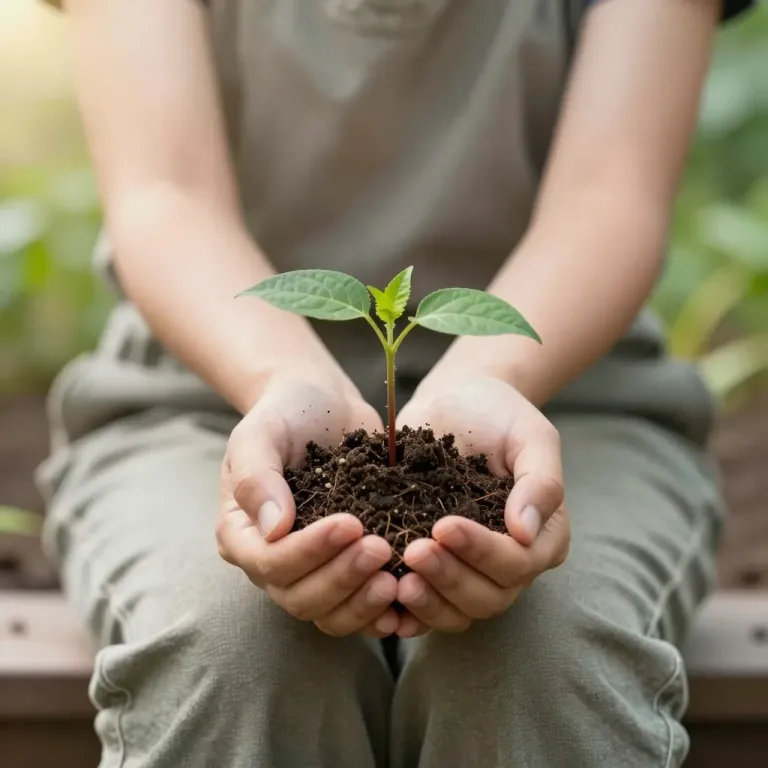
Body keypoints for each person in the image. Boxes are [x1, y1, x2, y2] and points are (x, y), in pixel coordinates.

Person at [38, 1, 753, 766]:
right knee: (232, 654)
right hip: (201, 399)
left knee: (540, 662)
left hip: (565, 403)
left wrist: (488, 372)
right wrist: (283, 376)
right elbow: (165, 195)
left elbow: (610, 194)